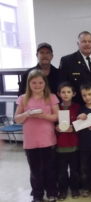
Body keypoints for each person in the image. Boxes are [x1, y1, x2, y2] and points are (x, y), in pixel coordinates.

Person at [14, 69, 59, 202]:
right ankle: (37, 195)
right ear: (29, 84)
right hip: (30, 141)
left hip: (48, 140)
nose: (37, 85)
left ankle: (52, 192)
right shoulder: (22, 98)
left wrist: (43, 115)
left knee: (50, 169)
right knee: (35, 170)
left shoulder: (51, 97)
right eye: (34, 83)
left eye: (40, 82)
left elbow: (57, 116)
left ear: (45, 83)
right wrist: (27, 114)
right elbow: (16, 119)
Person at [59, 31, 91, 105]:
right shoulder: (67, 61)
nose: (87, 44)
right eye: (84, 41)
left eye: (89, 41)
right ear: (78, 44)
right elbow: (63, 85)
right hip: (78, 105)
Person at [55, 82, 81, 200]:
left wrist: (74, 127)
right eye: (63, 92)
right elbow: (52, 124)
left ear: (74, 94)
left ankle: (75, 189)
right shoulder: (56, 108)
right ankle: (62, 190)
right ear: (59, 94)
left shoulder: (77, 107)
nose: (66, 94)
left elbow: (82, 124)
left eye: (68, 92)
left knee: (75, 171)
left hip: (74, 146)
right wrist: (56, 127)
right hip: (60, 146)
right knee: (61, 172)